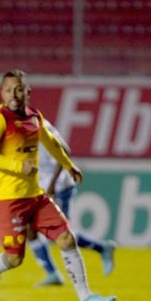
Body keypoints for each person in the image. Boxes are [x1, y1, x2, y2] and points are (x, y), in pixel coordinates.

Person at [0, 70, 116, 301]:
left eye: (19, 89)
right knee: (14, 259)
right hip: (10, 200)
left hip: (37, 197)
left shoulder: (34, 116)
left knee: (67, 238)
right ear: (2, 93)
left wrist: (68, 165)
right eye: (8, 90)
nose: (14, 95)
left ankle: (86, 298)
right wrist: (19, 166)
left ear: (28, 92)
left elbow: (51, 142)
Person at [28, 119, 116, 287]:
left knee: (60, 234)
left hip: (61, 186)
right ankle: (52, 273)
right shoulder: (17, 129)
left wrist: (53, 183)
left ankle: (102, 248)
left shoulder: (39, 125)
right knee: (30, 230)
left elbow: (65, 151)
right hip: (41, 186)